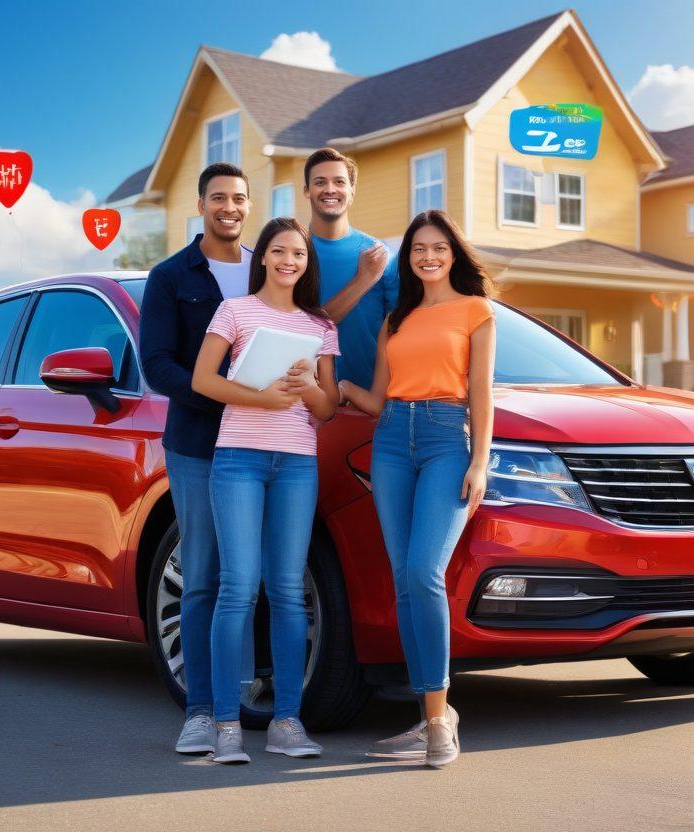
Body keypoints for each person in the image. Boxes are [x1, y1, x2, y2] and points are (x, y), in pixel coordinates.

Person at [340, 210, 495, 768]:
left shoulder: (476, 311)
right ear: (409, 259)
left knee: (426, 572)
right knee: (404, 577)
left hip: (446, 439)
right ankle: (430, 716)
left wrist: (479, 463)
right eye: (418, 249)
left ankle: (438, 720)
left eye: (439, 247)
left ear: (454, 252)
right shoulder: (396, 319)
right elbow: (380, 400)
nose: (429, 256)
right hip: (390, 444)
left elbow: (482, 395)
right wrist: (340, 385)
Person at [191, 217, 340, 764]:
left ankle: (287, 723)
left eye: (298, 254)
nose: (288, 261)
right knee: (237, 588)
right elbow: (202, 380)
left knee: (285, 590)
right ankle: (226, 726)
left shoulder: (320, 325)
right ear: (264, 258)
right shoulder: (235, 311)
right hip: (238, 461)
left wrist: (306, 391)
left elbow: (327, 407)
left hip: (297, 464)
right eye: (279, 251)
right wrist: (263, 398)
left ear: (307, 263)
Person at [139, 162, 253, 755]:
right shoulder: (169, 276)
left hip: (267, 442)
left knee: (257, 578)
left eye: (238, 198)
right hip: (198, 445)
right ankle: (201, 711)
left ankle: (255, 702)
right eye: (218, 198)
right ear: (201, 204)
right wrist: (222, 393)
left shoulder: (270, 268)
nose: (229, 207)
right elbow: (155, 365)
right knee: (203, 577)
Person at [304, 147, 399, 391]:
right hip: (302, 404)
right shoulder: (290, 253)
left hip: (368, 403)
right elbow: (301, 330)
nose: (330, 189)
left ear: (352, 191)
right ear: (307, 191)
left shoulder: (381, 255)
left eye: (339, 182)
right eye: (319, 182)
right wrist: (363, 280)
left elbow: (402, 333)